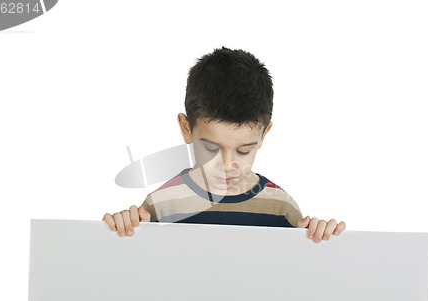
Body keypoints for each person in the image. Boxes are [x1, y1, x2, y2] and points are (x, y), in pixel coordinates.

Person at [102, 46, 346, 243]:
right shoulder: (162, 204)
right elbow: (136, 270)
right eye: (210, 148)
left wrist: (320, 236)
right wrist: (123, 227)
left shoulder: (280, 206)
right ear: (187, 129)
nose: (228, 165)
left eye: (244, 150)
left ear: (263, 135)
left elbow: (301, 275)